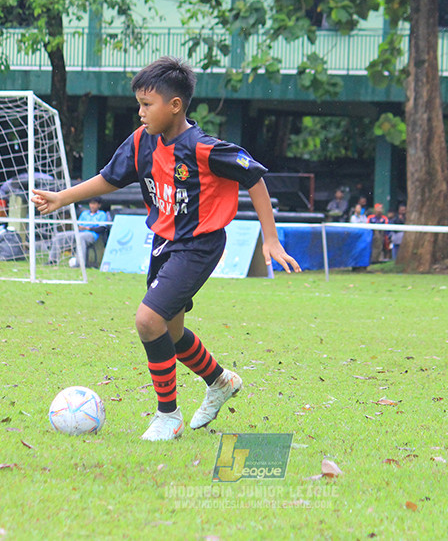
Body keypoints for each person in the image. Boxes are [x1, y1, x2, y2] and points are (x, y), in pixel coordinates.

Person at [32, 57, 301, 442]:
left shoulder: (204, 148)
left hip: (200, 245)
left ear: (175, 105)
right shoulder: (142, 141)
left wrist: (270, 238)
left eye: (147, 104)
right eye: (138, 104)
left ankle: (167, 415)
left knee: (147, 321)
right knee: (171, 334)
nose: (140, 113)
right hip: (164, 244)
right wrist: (62, 197)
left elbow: (254, 177)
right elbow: (110, 178)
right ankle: (220, 381)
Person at [46, 197, 110, 266]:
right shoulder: (84, 213)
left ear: (99, 205)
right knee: (59, 236)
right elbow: (78, 225)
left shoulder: (102, 214)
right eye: (91, 203)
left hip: (91, 235)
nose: (92, 206)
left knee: (80, 238)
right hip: (79, 232)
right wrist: (79, 227)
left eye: (94, 204)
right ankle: (52, 260)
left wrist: (87, 228)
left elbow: (102, 228)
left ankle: (79, 264)